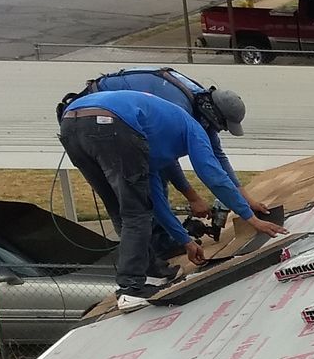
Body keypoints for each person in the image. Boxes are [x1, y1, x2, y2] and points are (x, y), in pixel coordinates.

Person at [57, 89, 286, 312]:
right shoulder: (192, 127)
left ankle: (152, 271)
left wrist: (185, 240)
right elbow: (213, 175)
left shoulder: (153, 139)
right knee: (135, 213)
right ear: (212, 120)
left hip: (71, 123)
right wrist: (250, 218)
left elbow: (156, 201)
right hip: (113, 124)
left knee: (120, 209)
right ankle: (131, 289)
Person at [62, 68, 271, 220]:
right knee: (143, 188)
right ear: (214, 115)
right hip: (103, 122)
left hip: (102, 117)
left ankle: (167, 240)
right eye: (221, 126)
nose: (218, 131)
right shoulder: (180, 108)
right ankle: (161, 248)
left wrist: (247, 200)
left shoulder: (200, 101)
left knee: (150, 184)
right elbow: (166, 159)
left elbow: (217, 154)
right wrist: (193, 197)